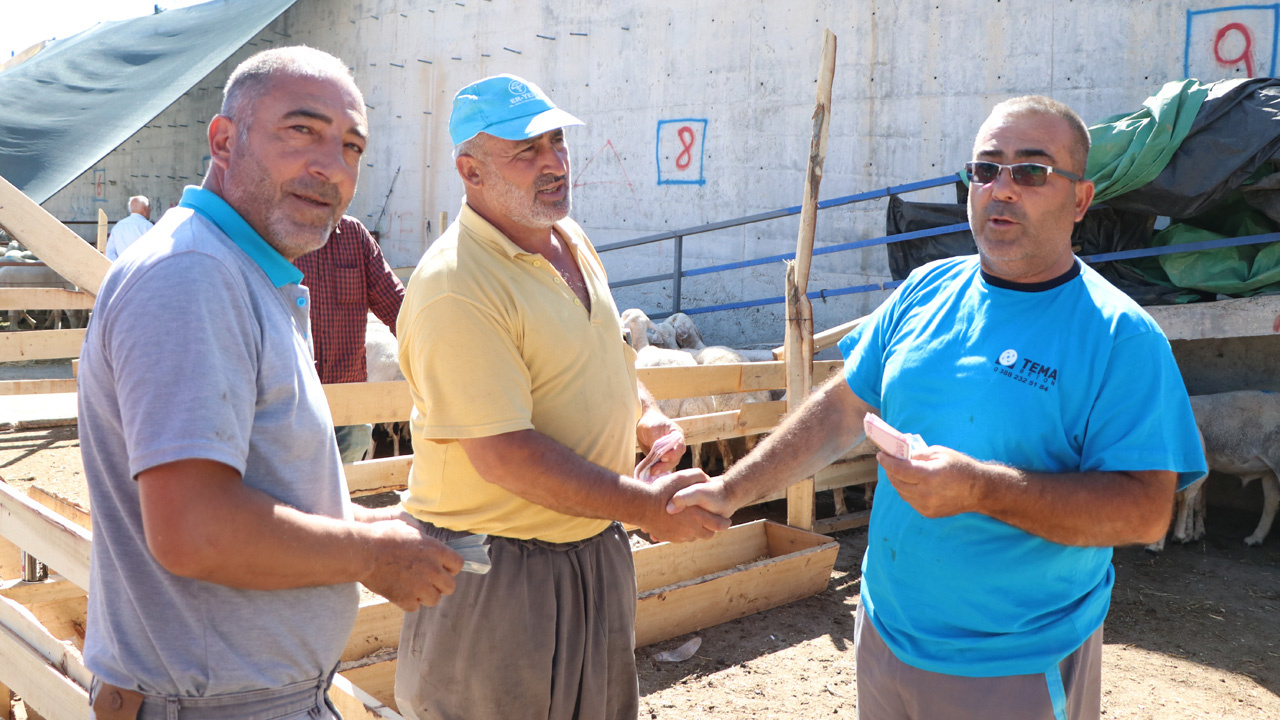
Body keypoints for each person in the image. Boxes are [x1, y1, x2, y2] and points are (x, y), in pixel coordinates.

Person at [668, 96, 1207, 720]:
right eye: (985, 169)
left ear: (1080, 200)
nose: (1001, 188)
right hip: (885, 638)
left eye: (1030, 171)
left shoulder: (1121, 336)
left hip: (1014, 667)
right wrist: (730, 491)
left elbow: (1144, 513)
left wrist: (979, 489)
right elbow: (841, 409)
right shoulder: (926, 289)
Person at [77, 46, 461, 720]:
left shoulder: (241, 273)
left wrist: (383, 527)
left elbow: (260, 494)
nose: (331, 167)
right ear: (224, 141)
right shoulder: (191, 276)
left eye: (350, 147)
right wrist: (372, 554)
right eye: (301, 131)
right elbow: (195, 528)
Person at [392, 74, 729, 720]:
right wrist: (646, 507)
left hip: (592, 550)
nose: (554, 162)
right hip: (498, 574)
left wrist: (649, 420)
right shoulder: (456, 285)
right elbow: (504, 455)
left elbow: (606, 355)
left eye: (557, 142)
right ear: (471, 171)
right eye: (526, 151)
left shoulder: (569, 241)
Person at [294, 215, 405, 462]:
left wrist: (442, 351)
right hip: (292, 403)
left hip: (349, 406)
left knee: (347, 489)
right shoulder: (274, 235)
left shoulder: (355, 235)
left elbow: (397, 306)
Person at [104, 195, 153, 260]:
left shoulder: (118, 226)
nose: (150, 210)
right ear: (145, 209)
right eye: (149, 207)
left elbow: (109, 252)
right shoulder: (148, 226)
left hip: (122, 267)